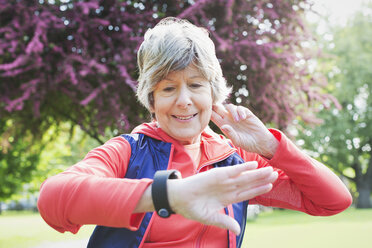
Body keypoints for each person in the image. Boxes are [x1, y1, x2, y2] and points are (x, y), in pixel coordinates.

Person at [37, 17, 352, 248]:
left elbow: (333, 200)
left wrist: (273, 146)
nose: (184, 100)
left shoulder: (234, 160)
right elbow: (53, 200)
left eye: (196, 85)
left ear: (213, 94)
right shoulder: (128, 152)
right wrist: (169, 195)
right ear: (152, 99)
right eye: (169, 87)